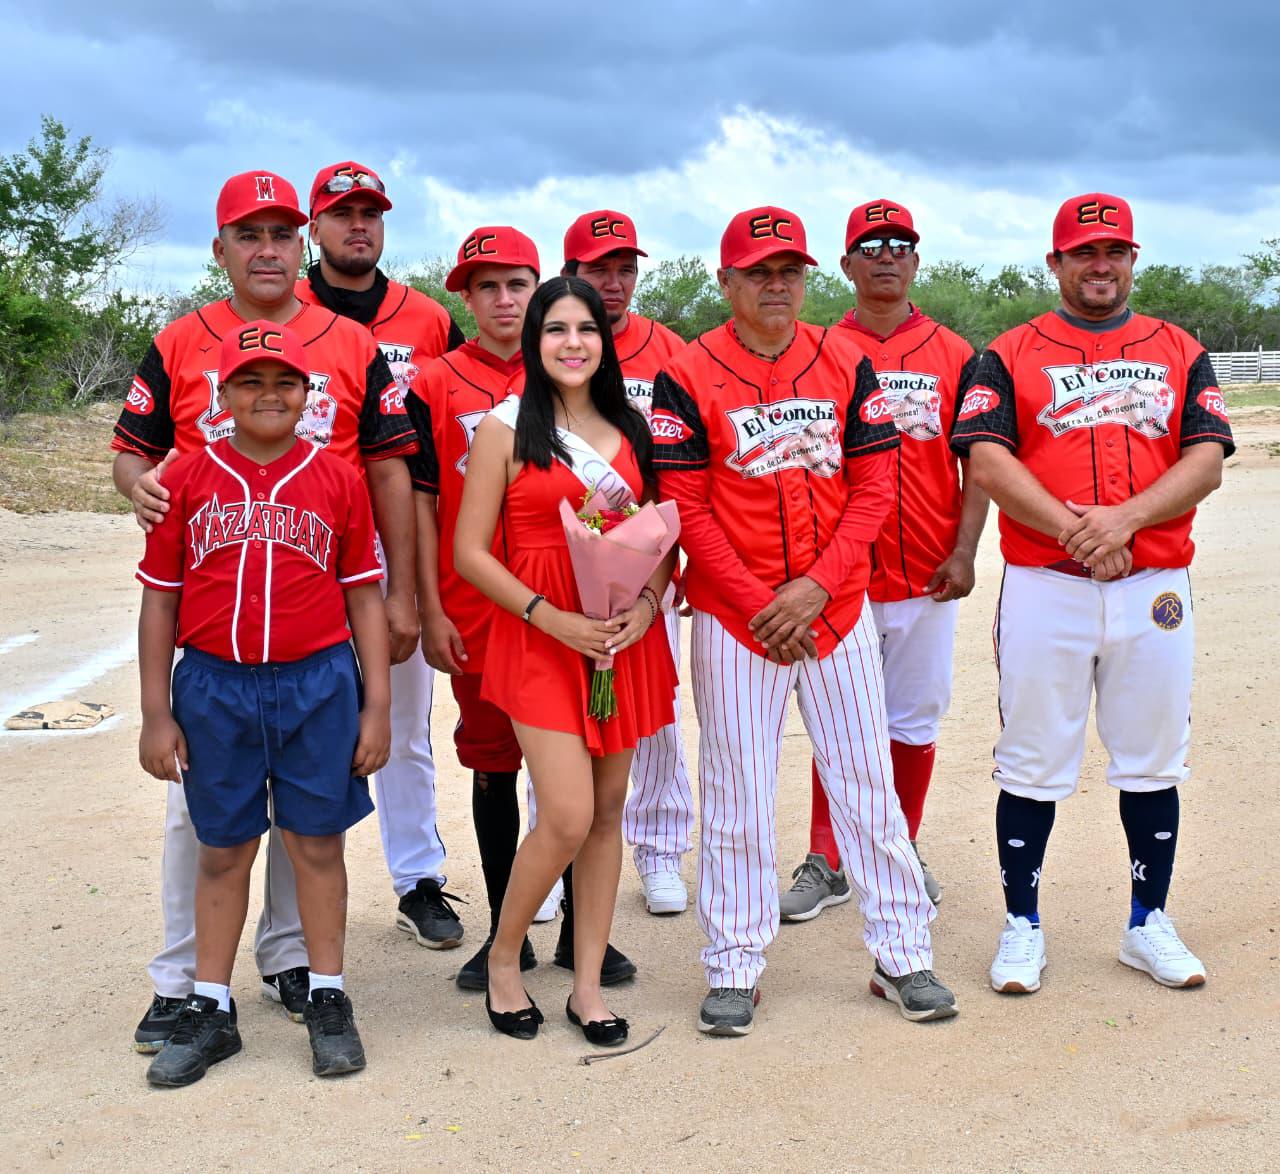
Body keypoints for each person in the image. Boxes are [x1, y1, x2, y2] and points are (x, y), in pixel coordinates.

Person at [112, 170, 417, 1047]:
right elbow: (135, 458)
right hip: (216, 626)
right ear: (220, 249)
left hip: (318, 616)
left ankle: (299, 968)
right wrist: (144, 493)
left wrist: (400, 591)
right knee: (207, 821)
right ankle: (185, 985)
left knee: (311, 820)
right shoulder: (180, 342)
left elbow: (388, 467)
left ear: (307, 239)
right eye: (250, 234)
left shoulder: (352, 345)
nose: (269, 248)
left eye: (283, 232)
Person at [650, 206, 958, 1035]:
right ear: (727, 282)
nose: (776, 284)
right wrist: (760, 601)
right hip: (734, 615)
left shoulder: (846, 359)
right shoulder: (689, 369)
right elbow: (685, 502)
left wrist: (818, 587)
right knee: (737, 794)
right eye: (758, 272)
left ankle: (902, 955)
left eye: (789, 270)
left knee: (866, 782)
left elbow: (875, 488)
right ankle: (734, 966)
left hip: (835, 610)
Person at [952, 192, 1232, 994]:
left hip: (1154, 585)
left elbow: (1206, 457)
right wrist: (1082, 532)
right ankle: (1022, 924)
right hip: (1049, 585)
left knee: (1151, 758)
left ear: (1133, 259)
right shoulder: (1006, 352)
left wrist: (1125, 521)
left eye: (1114, 251)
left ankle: (1148, 923)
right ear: (1056, 263)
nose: (1100, 265)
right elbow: (988, 460)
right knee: (1033, 761)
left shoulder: (1180, 348)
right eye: (1084, 252)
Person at [137, 321, 391, 1086]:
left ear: (309, 395)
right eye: (250, 381)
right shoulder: (184, 478)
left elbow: (364, 597)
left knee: (316, 843)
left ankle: (327, 995)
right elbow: (159, 603)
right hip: (215, 684)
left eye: (285, 381)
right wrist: (156, 710)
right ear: (222, 394)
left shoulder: (337, 478)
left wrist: (376, 704)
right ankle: (211, 1008)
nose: (268, 394)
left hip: (318, 683)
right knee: (221, 850)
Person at [454, 277, 678, 1044]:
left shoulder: (633, 430)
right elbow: (470, 552)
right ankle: (505, 958)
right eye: (556, 329)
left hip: (619, 643)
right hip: (540, 637)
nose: (573, 342)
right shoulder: (504, 429)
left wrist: (644, 610)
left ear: (604, 340)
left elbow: (656, 542)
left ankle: (586, 985)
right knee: (567, 814)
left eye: (587, 328)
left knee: (609, 814)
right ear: (534, 340)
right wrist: (551, 618)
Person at [780, 199, 988, 919]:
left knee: (914, 718)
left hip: (929, 567)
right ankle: (826, 856)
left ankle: (899, 845)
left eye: (900, 243)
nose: (887, 255)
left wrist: (965, 552)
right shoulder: (818, 349)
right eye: (871, 246)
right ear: (845, 265)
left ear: (916, 260)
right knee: (838, 720)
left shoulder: (954, 352)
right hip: (843, 576)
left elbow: (980, 464)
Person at [297, 160, 465, 951]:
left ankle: (418, 878)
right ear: (314, 226)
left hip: (391, 545)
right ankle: (291, 910)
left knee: (402, 725)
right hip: (295, 549)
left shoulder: (427, 318)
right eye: (342, 213)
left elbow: (462, 411)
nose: (357, 225)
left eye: (370, 212)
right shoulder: (279, 311)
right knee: (293, 720)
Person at [562, 209, 694, 916]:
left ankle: (661, 846)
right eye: (598, 269)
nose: (613, 282)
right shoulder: (553, 344)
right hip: (564, 562)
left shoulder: (669, 349)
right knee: (558, 712)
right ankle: (553, 845)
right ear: (571, 272)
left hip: (648, 566)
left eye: (624, 268)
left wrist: (679, 565)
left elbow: (686, 468)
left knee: (657, 717)